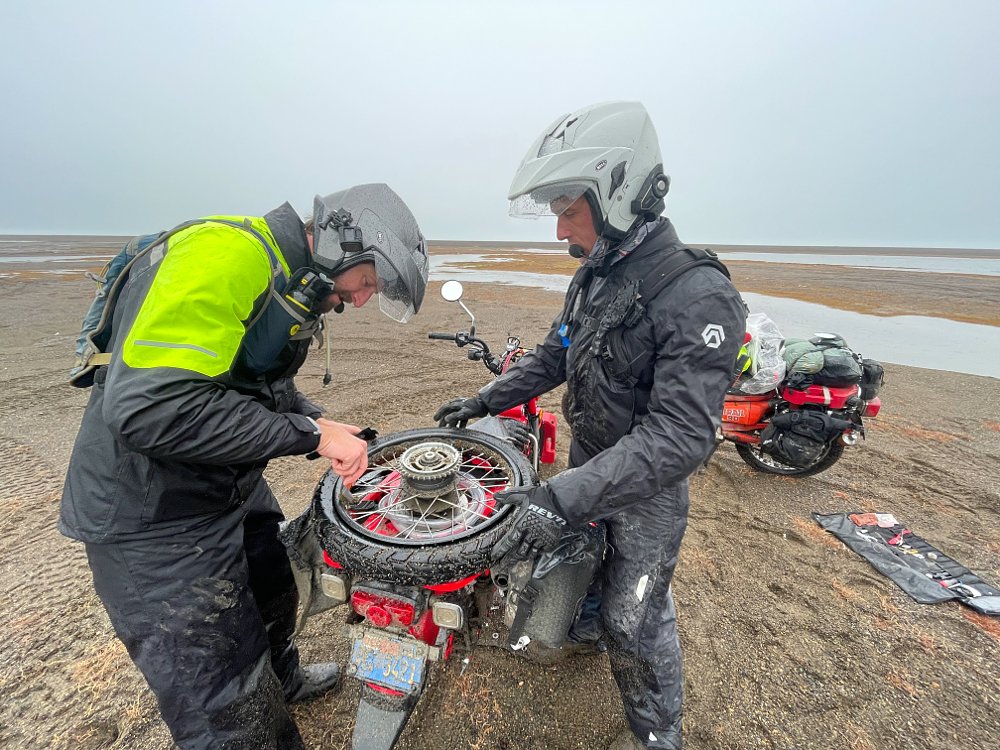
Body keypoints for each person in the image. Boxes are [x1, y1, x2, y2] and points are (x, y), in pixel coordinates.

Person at [60, 184, 429, 750]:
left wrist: (319, 423)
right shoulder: (229, 255)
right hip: (151, 512)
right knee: (223, 693)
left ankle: (283, 680)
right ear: (348, 242)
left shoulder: (288, 277)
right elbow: (151, 408)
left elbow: (251, 385)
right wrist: (311, 435)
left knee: (272, 583)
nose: (359, 301)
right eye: (367, 283)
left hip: (220, 483)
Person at [435, 102, 746, 750]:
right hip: (589, 457)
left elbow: (680, 436)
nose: (559, 231)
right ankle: (585, 629)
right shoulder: (593, 279)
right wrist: (485, 400)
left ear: (619, 196)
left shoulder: (696, 294)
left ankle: (657, 735)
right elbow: (556, 354)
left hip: (646, 489)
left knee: (638, 616)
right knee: (584, 564)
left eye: (568, 211)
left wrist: (561, 496)